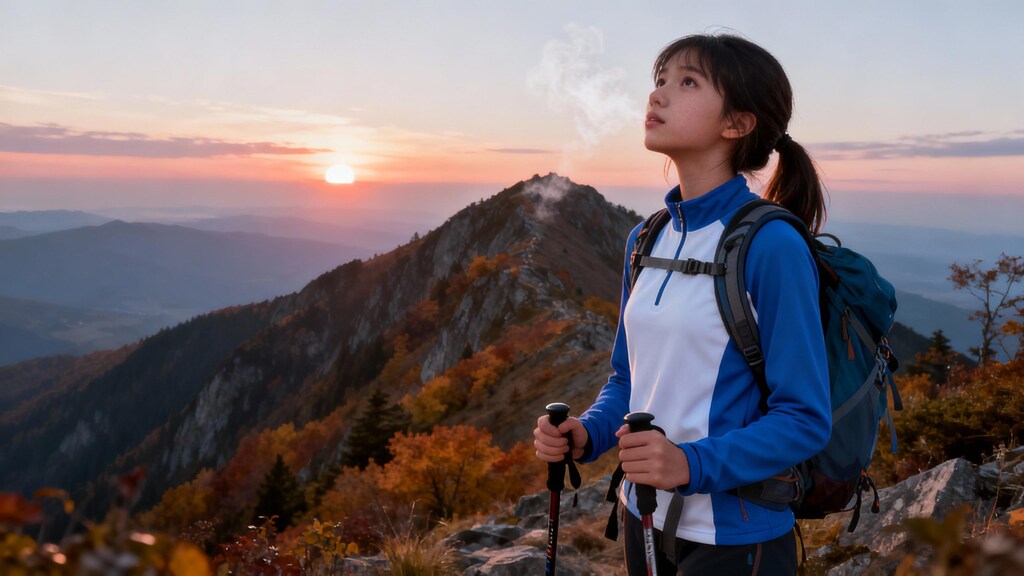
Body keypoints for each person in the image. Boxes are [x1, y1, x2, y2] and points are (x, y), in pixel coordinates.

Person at [533, 33, 831, 575]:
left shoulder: (771, 246)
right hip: (641, 515)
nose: (658, 95)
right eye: (660, 80)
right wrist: (588, 433)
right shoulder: (645, 240)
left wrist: (688, 464)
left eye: (686, 82)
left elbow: (805, 420)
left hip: (738, 537)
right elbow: (629, 380)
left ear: (737, 124)